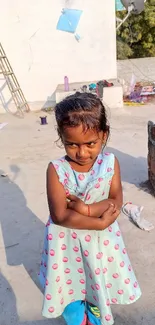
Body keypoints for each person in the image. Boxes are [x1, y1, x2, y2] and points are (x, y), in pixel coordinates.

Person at [39, 92, 141, 325]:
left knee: (96, 286)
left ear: (103, 135)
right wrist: (99, 221)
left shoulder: (110, 163)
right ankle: (76, 319)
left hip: (100, 245)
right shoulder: (56, 169)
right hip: (66, 247)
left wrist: (85, 210)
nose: (82, 152)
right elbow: (60, 215)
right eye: (72, 144)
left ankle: (95, 318)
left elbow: (116, 199)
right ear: (61, 137)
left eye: (90, 144)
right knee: (71, 292)